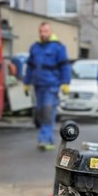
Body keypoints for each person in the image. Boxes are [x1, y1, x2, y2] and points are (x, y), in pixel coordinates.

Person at [24, 22, 71, 151]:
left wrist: (65, 82)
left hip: (51, 84)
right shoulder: (35, 47)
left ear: (50, 32)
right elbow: (30, 67)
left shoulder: (58, 47)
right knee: (40, 113)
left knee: (47, 112)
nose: (43, 34)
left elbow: (64, 66)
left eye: (45, 31)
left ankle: (44, 139)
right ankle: (49, 139)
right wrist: (26, 82)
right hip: (38, 85)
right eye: (41, 31)